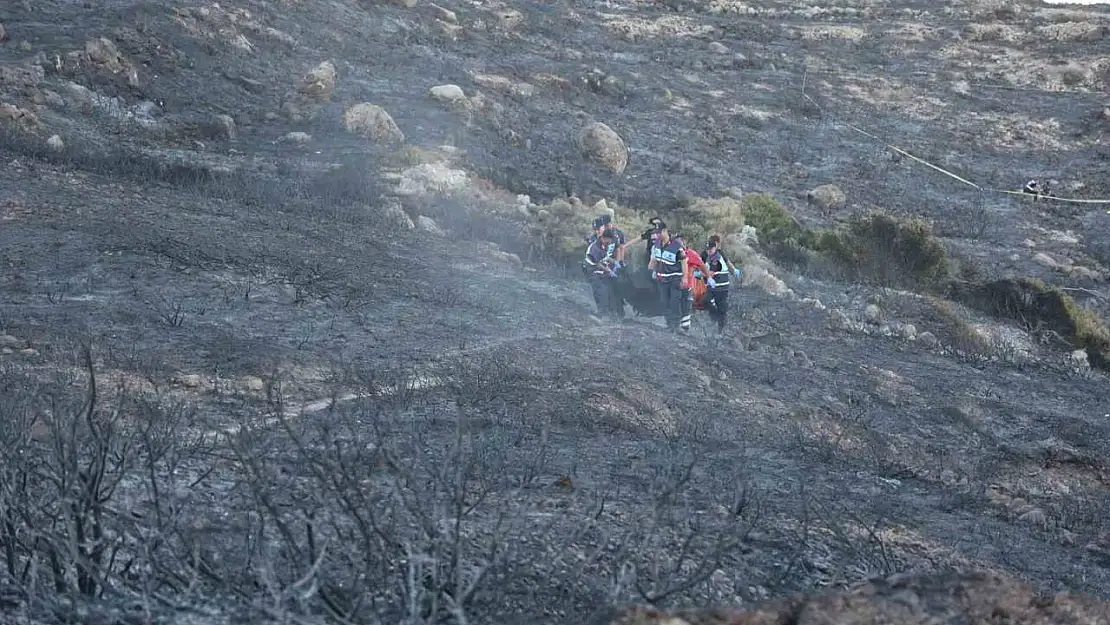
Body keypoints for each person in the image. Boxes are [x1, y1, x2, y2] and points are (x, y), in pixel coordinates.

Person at [648, 223, 689, 332]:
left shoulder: (676, 245)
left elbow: (684, 262)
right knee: (664, 301)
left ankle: (676, 325)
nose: (658, 235)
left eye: (659, 232)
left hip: (674, 278)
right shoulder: (656, 244)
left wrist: (685, 277)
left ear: (665, 231)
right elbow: (654, 259)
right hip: (662, 279)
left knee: (674, 301)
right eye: (656, 233)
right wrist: (651, 270)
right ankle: (669, 324)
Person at [701, 234, 742, 332]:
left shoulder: (717, 258)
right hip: (714, 287)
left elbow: (710, 272)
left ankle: (721, 326)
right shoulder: (709, 256)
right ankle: (716, 319)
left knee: (721, 306)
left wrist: (701, 274)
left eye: (711, 249)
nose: (708, 251)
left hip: (721, 287)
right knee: (706, 301)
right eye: (707, 249)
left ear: (715, 247)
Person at [583, 226, 625, 320]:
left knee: (609, 289)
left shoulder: (604, 243)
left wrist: (615, 262)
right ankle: (601, 314)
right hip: (591, 269)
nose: (610, 242)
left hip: (601, 269)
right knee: (601, 291)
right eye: (608, 240)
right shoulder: (595, 248)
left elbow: (605, 256)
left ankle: (611, 312)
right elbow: (598, 263)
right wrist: (609, 271)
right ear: (603, 238)